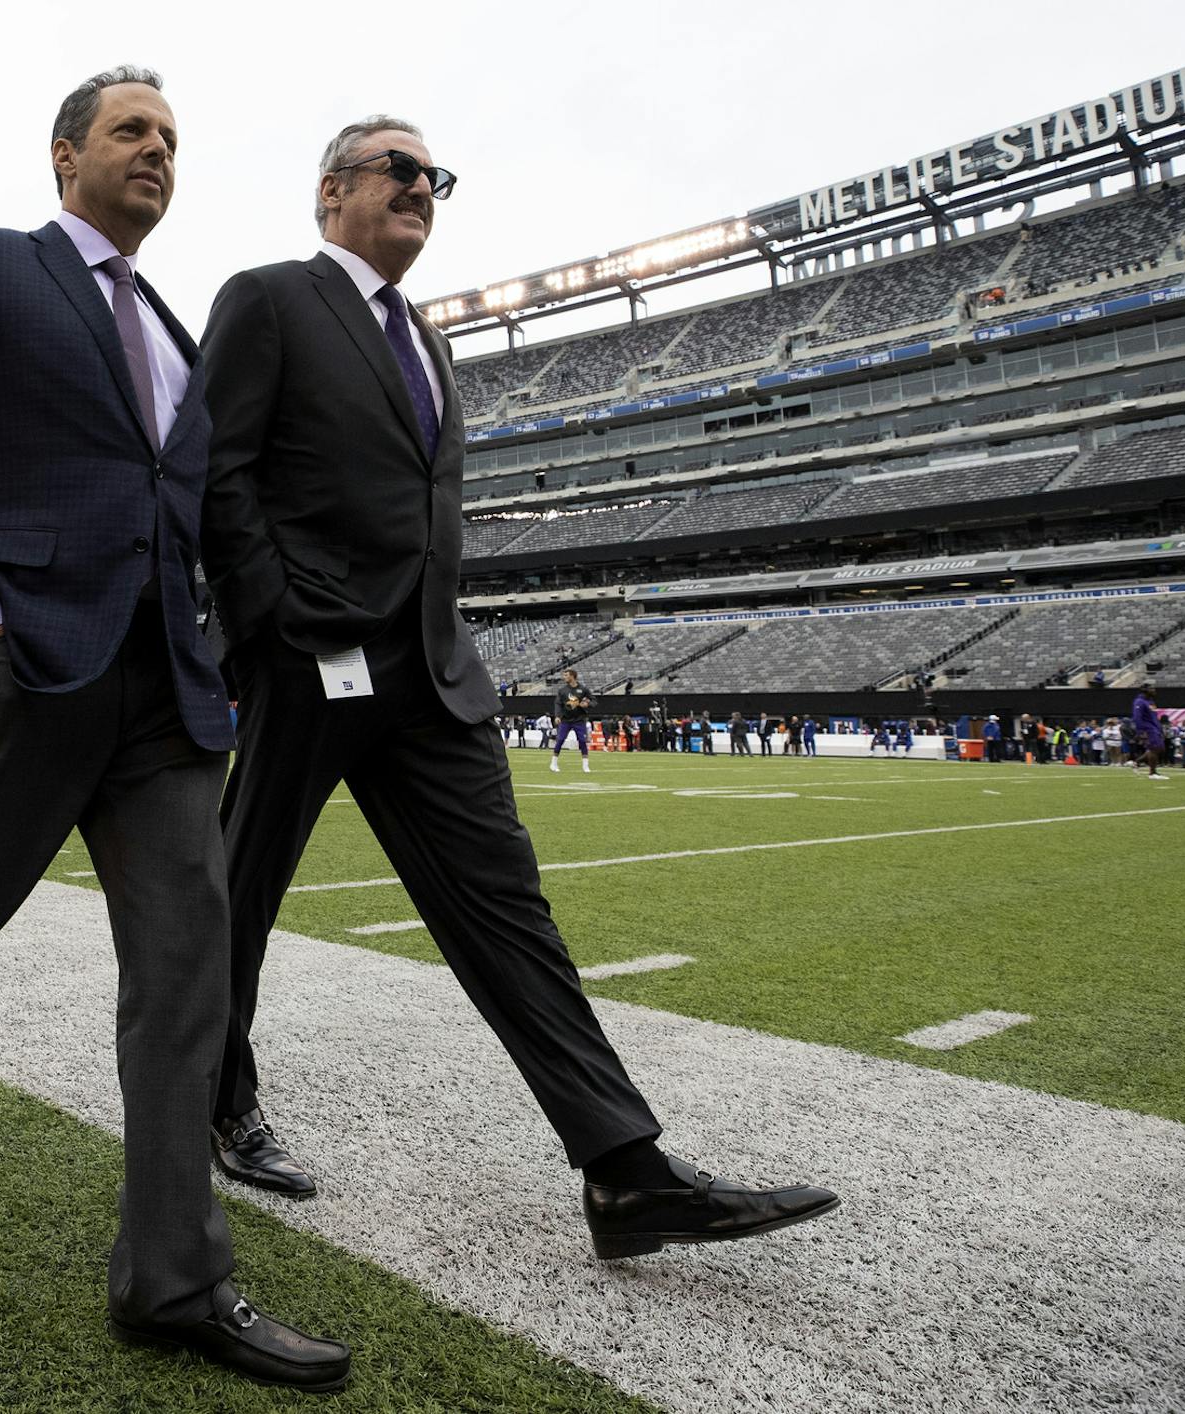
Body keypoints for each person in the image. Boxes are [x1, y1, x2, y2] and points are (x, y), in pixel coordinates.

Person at [0, 68, 344, 1393]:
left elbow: (200, 510)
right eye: (131, 132)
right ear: (64, 157)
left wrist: (281, 633)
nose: (157, 152)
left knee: (183, 964)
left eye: (171, 139)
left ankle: (173, 1279)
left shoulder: (176, 330)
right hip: (24, 666)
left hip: (166, 689)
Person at [199, 113, 836, 1266]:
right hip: (313, 655)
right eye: (400, 169)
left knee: (509, 911)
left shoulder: (429, 341)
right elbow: (219, 470)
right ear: (332, 188)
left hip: (434, 675)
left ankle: (625, 1172)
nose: (424, 188)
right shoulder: (270, 297)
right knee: (241, 892)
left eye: (435, 177)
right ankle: (218, 1097)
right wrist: (273, 620)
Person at [550, 668, 591, 773]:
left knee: (582, 741)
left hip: (579, 719)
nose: (564, 677)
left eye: (566, 675)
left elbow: (593, 700)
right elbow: (558, 704)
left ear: (572, 676)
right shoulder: (562, 691)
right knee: (560, 740)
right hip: (566, 720)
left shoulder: (583, 689)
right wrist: (557, 716)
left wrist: (587, 703)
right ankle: (553, 763)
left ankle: (585, 766)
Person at [1132, 682, 1168, 780]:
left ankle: (1137, 762)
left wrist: (1160, 729)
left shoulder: (1151, 702)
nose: (1154, 690)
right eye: (1151, 689)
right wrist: (1141, 731)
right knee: (1154, 749)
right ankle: (1152, 773)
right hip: (1147, 728)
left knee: (1160, 748)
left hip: (1155, 727)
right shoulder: (1139, 702)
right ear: (1145, 690)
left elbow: (1155, 717)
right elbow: (1137, 717)